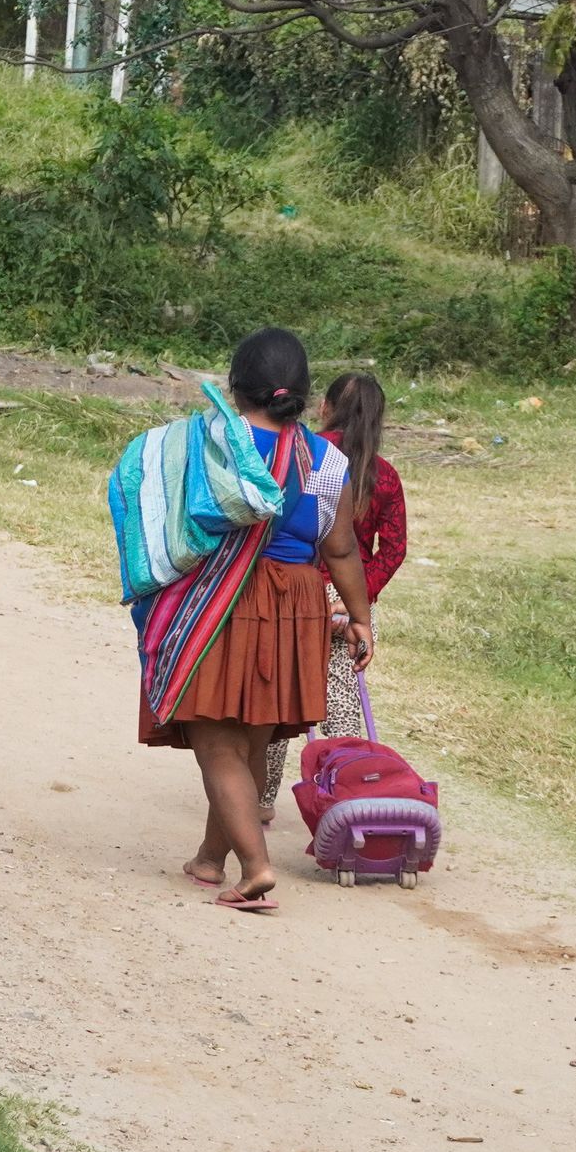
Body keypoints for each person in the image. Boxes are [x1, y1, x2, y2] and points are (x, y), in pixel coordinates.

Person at [137, 328, 374, 912]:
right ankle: (208, 858)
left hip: (222, 597)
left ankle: (255, 869)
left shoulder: (210, 442)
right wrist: (361, 618)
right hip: (295, 604)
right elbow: (341, 547)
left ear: (235, 387)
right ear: (303, 393)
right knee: (247, 745)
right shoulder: (328, 460)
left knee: (218, 745)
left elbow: (159, 503)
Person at [258, 371, 408, 825]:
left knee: (279, 700)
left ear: (324, 408)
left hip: (298, 592)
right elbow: (393, 549)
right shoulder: (384, 476)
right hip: (351, 601)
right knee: (343, 702)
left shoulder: (307, 457)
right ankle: (347, 796)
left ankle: (261, 800)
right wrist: (356, 599)